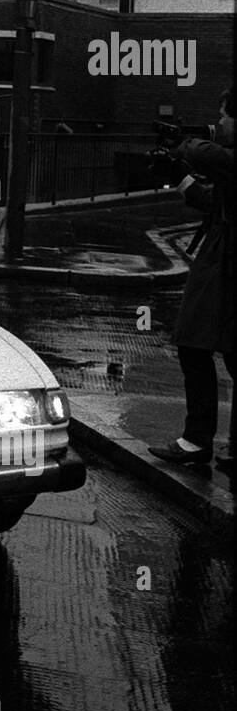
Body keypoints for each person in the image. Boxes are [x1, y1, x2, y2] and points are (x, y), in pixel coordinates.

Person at [149, 88, 235, 476]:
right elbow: (212, 200)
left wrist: (187, 143)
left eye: (224, 116)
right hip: (222, 260)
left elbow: (209, 154)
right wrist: (179, 178)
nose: (219, 122)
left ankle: (196, 440)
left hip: (224, 265)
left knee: (192, 344)